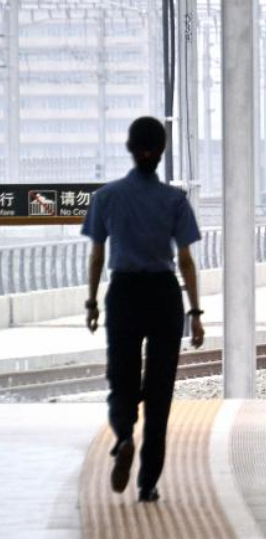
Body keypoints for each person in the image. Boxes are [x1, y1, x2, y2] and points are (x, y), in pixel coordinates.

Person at [82, 117, 205, 503]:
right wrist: (196, 312)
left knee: (121, 376)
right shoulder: (174, 200)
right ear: (162, 151)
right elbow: (185, 260)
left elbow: (98, 255)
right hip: (164, 295)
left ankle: (122, 437)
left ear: (130, 149)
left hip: (124, 293)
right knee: (159, 390)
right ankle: (148, 482)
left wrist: (90, 303)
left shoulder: (107, 197)